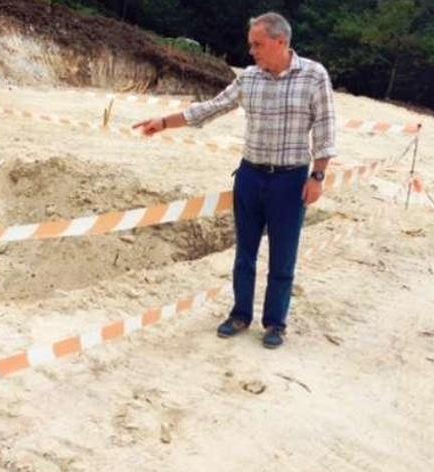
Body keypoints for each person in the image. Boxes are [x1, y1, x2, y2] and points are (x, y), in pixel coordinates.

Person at [133, 12, 337, 349]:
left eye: (257, 45)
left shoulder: (314, 75)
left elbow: (326, 128)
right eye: (251, 45)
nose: (252, 52)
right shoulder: (249, 79)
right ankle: (240, 315)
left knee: (283, 257)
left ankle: (275, 323)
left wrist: (318, 176)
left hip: (291, 181)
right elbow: (210, 109)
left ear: (281, 41)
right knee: (245, 253)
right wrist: (164, 122)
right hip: (250, 176)